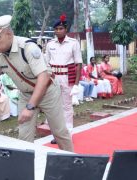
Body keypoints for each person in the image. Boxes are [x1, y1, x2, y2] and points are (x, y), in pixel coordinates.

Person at [0, 15, 73, 151]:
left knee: (59, 132)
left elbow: (43, 78)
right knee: (24, 137)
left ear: (9, 34)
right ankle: (24, 170)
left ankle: (72, 162)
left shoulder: (28, 48)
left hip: (48, 92)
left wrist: (30, 107)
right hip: (26, 94)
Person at [45, 14, 82, 144]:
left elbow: (78, 64)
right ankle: (57, 134)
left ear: (66, 29)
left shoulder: (73, 43)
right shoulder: (50, 44)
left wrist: (76, 84)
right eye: (56, 29)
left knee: (66, 106)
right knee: (54, 106)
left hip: (67, 77)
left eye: (61, 28)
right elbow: (46, 63)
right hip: (53, 77)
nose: (58, 31)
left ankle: (67, 133)